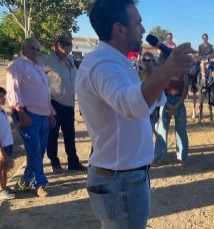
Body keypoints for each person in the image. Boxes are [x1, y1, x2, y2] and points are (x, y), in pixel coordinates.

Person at [77, 0, 193, 227]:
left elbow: (149, 104)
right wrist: (167, 71)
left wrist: (158, 73)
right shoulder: (103, 65)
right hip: (120, 180)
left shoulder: (117, 63)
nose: (142, 29)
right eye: (138, 23)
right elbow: (132, 107)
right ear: (119, 29)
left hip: (125, 177)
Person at [6, 38, 56, 197]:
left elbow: (45, 92)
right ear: (24, 48)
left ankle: (26, 180)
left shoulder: (38, 67)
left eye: (38, 49)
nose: (35, 51)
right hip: (28, 114)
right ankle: (39, 184)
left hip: (43, 115)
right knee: (34, 150)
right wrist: (20, 112)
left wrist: (50, 113)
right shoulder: (17, 65)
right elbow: (13, 90)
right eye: (32, 48)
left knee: (39, 151)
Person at [38, 35, 86, 174]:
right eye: (63, 44)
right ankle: (55, 163)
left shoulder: (71, 61)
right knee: (52, 135)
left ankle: (73, 162)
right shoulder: (47, 60)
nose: (66, 47)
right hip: (54, 104)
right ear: (56, 45)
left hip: (69, 105)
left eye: (69, 44)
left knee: (70, 134)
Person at [154, 69, 189, 166]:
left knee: (181, 130)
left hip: (179, 102)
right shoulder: (166, 75)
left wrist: (176, 106)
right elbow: (161, 92)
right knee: (162, 130)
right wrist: (169, 105)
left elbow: (184, 93)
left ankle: (182, 157)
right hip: (166, 101)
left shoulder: (184, 76)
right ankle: (159, 156)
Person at [0, 87, 18, 200]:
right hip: (2, 147)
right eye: (1, 96)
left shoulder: (2, 112)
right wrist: (1, 152)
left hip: (8, 144)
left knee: (5, 168)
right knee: (1, 168)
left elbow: (7, 127)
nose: (4, 99)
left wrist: (19, 124)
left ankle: (5, 187)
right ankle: (2, 190)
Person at [139, 52, 161, 129]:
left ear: (153, 61)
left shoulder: (158, 73)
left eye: (148, 60)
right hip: (143, 103)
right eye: (144, 60)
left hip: (156, 103)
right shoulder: (140, 74)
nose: (145, 62)